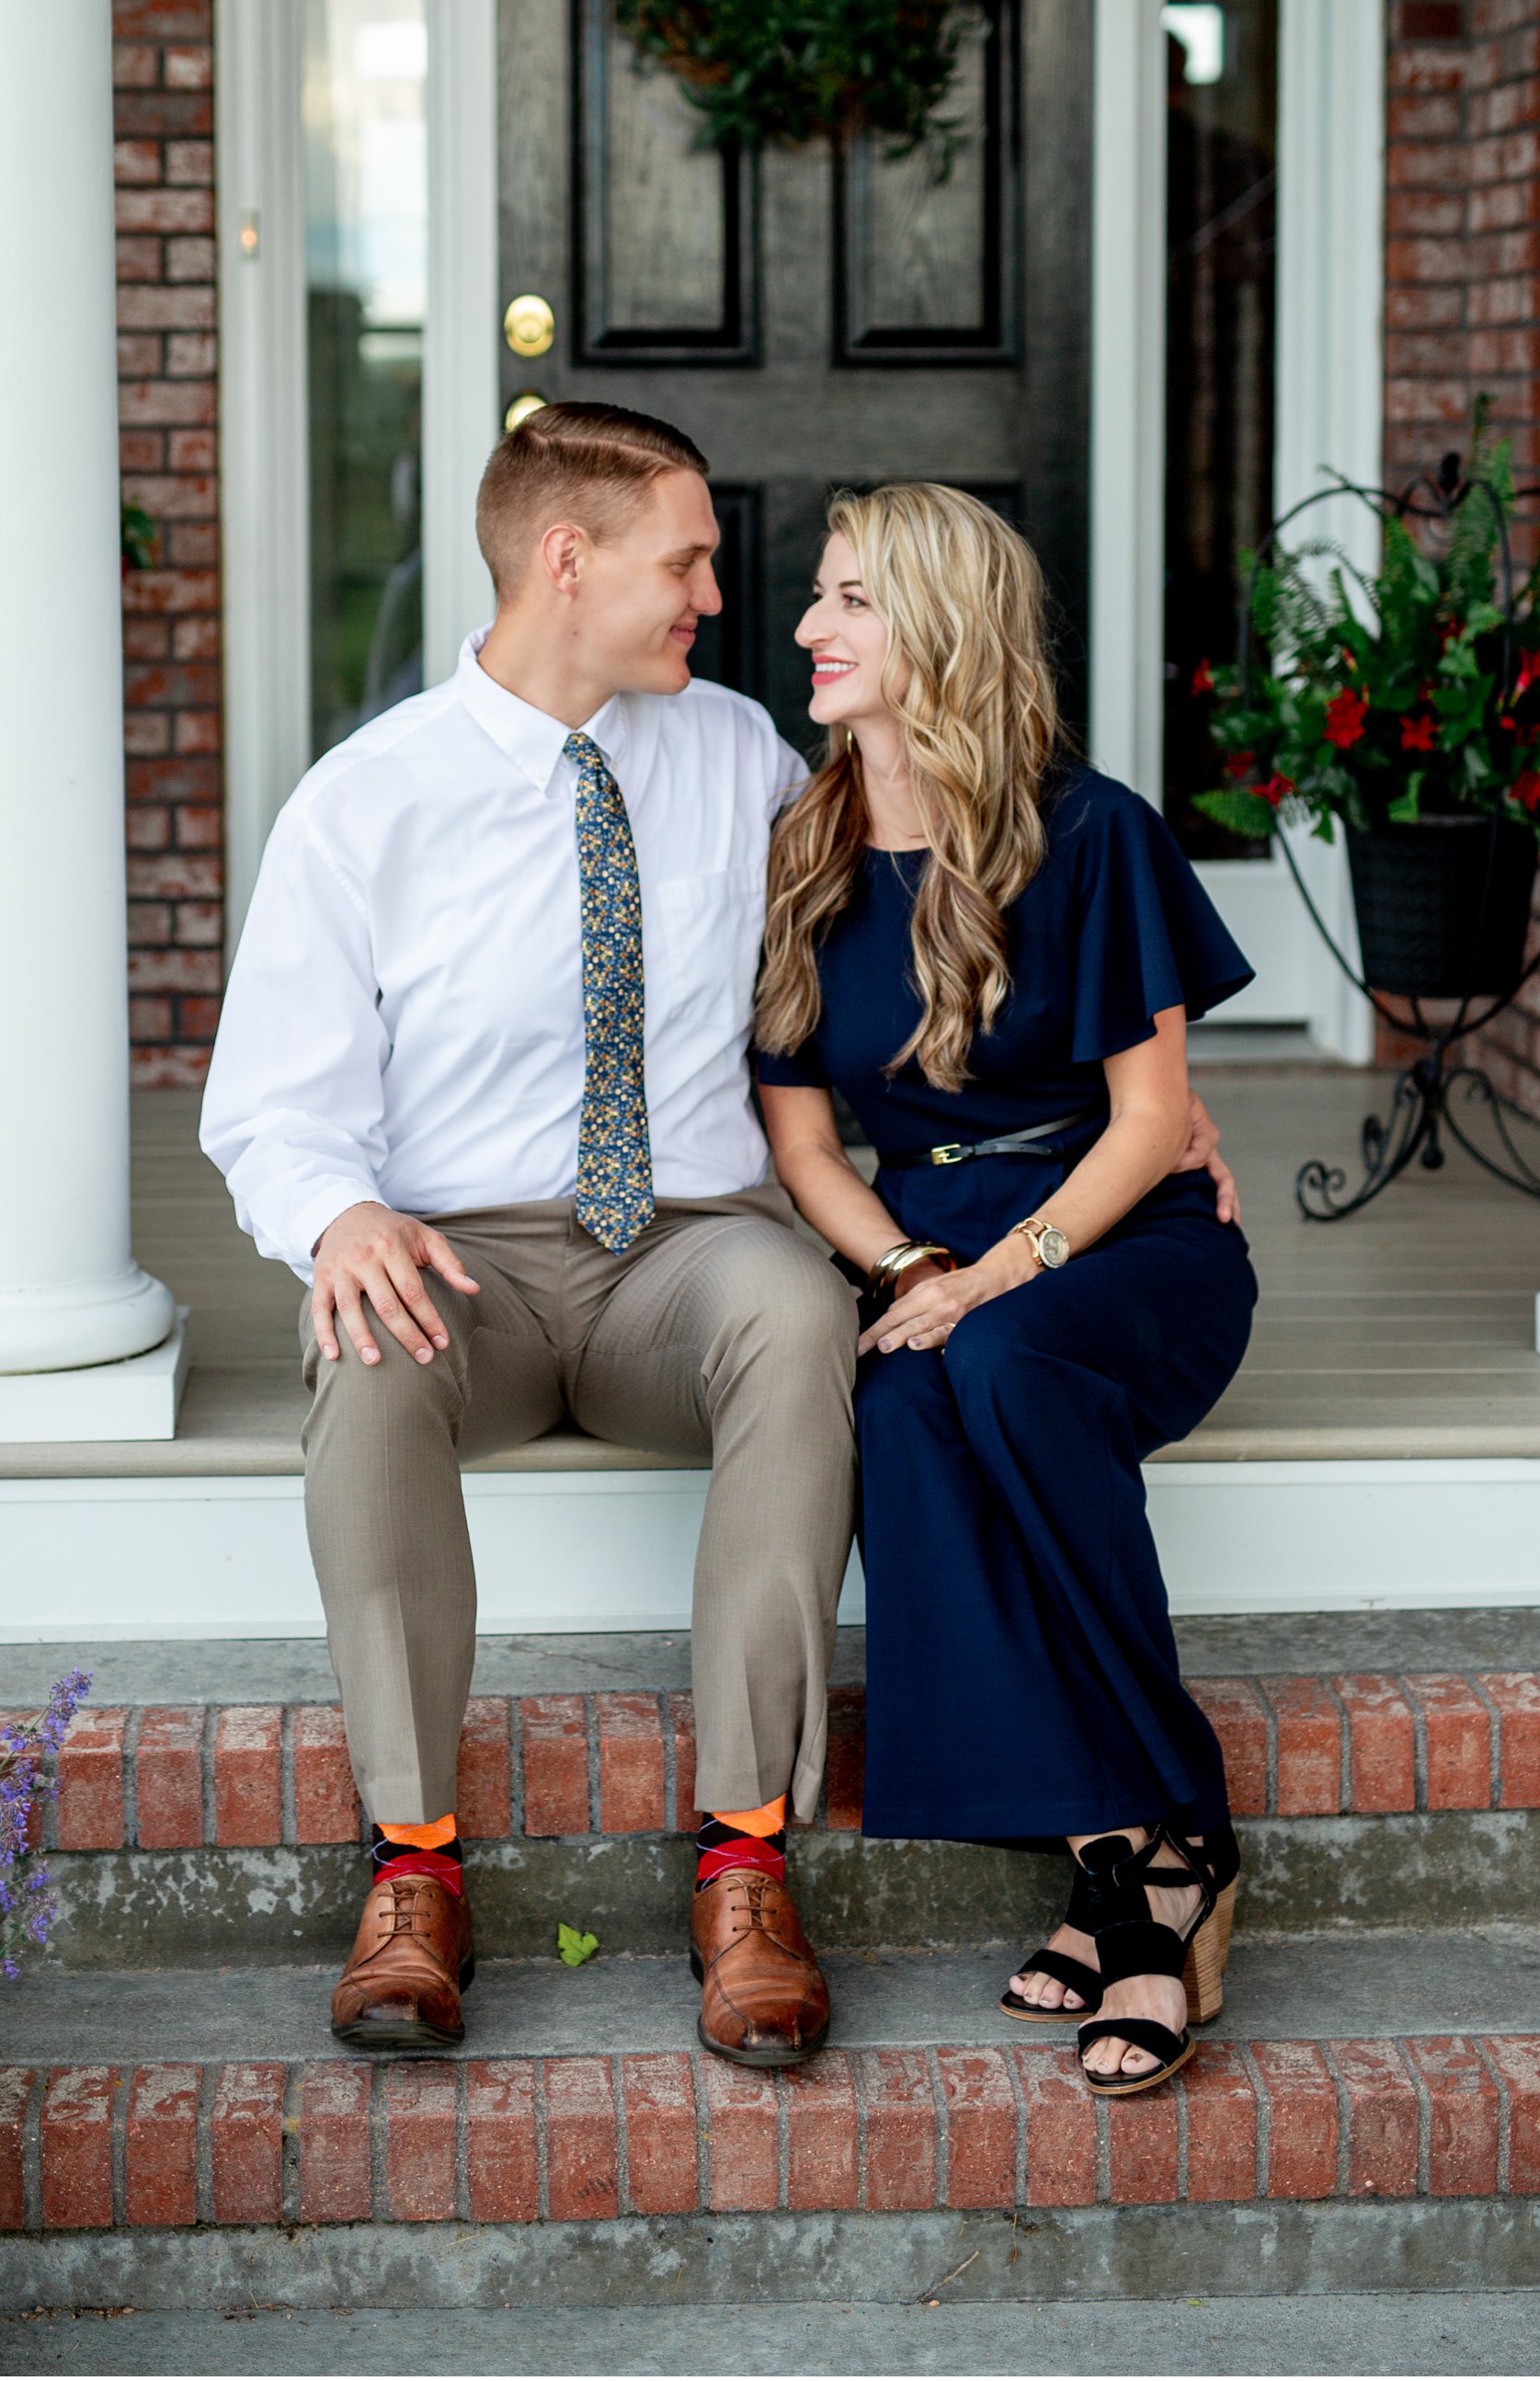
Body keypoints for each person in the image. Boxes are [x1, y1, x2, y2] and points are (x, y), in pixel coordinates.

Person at [202, 402, 858, 2067]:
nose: (720, 592)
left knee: (796, 1311)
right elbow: (272, 1100)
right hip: (464, 1261)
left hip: (680, 1256)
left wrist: (1136, 1078)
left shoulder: (741, 753)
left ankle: (744, 1864)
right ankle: (414, 1868)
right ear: (567, 561)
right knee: (362, 1339)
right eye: (688, 559)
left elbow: (905, 921)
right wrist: (338, 1210)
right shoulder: (368, 802)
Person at [756, 483, 1258, 2100]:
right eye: (819, 599)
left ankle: (1180, 1832)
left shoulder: (1089, 825)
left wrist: (998, 1277)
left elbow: (1152, 1118)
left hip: (1126, 1237)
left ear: (942, 629)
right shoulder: (810, 843)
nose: (811, 629)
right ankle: (1139, 1867)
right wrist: (915, 1270)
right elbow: (801, 1134)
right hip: (930, 1242)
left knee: (1005, 1369)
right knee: (901, 1399)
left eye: (850, 601)